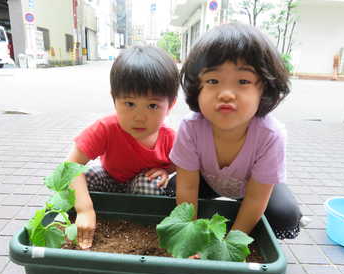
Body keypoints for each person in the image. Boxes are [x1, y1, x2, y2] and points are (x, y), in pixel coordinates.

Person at [169, 23, 302, 240]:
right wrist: (190, 237)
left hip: (253, 189)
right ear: (197, 88)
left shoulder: (271, 135)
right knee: (173, 188)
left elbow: (256, 199)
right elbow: (188, 188)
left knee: (284, 213)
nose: (227, 94)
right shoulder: (190, 127)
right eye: (213, 81)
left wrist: (233, 242)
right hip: (208, 183)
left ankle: (257, 233)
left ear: (265, 89)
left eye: (243, 81)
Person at [67, 46, 179, 249]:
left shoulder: (170, 138)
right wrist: (84, 209)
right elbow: (71, 166)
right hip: (110, 179)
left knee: (150, 184)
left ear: (170, 105)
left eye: (152, 106)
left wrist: (166, 170)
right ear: (114, 99)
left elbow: (182, 165)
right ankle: (91, 220)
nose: (139, 116)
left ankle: (142, 232)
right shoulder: (105, 128)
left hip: (140, 187)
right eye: (129, 103)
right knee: (88, 175)